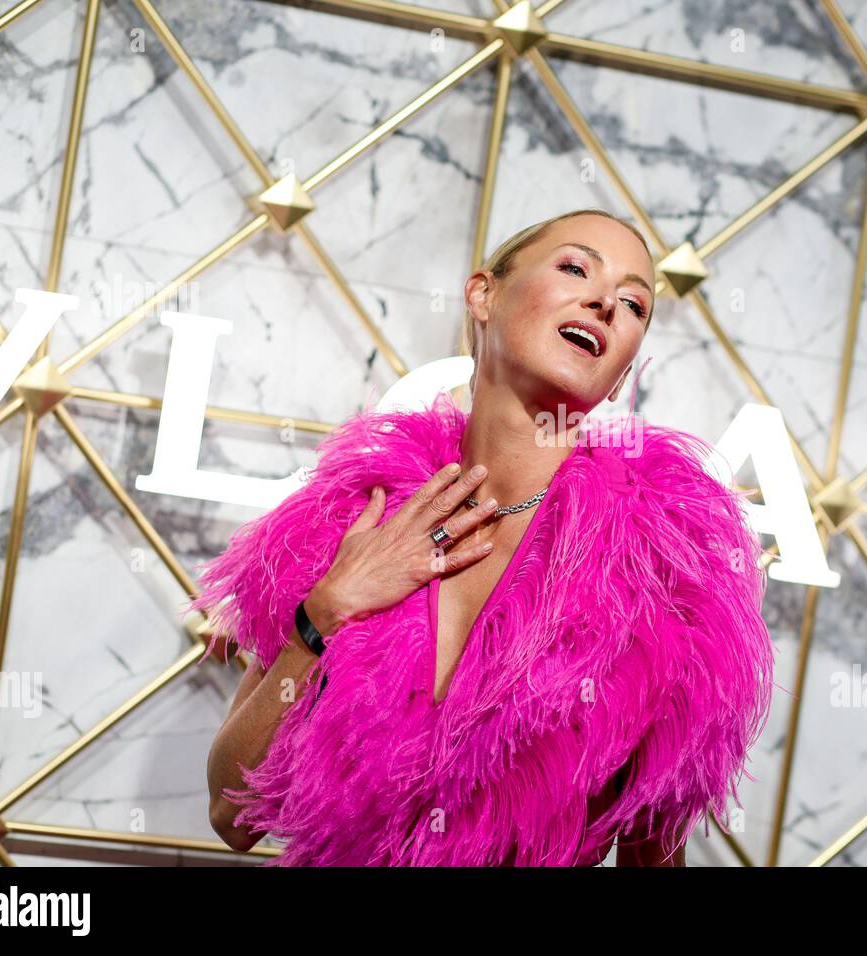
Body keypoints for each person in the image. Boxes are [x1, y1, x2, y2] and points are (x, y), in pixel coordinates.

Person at [187, 208, 775, 866]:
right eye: (576, 268)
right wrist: (325, 614)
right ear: (483, 294)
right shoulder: (356, 512)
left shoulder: (663, 570)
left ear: (622, 370)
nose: (605, 301)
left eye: (634, 304)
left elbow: (651, 855)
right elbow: (230, 816)